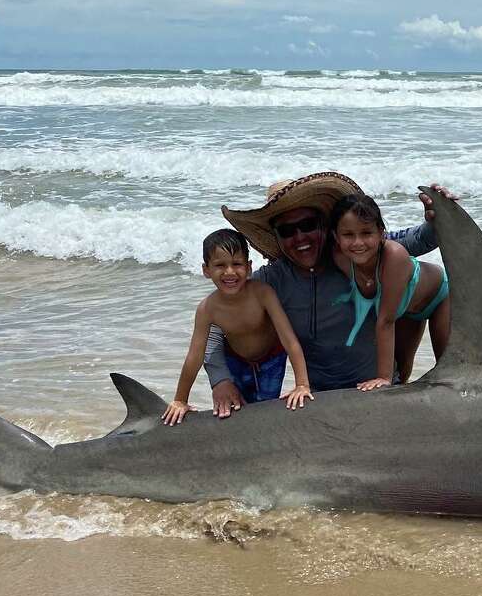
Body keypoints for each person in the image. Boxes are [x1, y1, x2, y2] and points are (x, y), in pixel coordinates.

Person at [205, 172, 454, 416]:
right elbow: (216, 324)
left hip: (377, 392)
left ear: (325, 225)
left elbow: (420, 240)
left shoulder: (356, 252)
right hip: (319, 400)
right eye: (287, 230)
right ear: (276, 237)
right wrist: (221, 380)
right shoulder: (271, 281)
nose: (300, 237)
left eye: (307, 224)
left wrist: (438, 216)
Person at [162, 228, 313, 426]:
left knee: (265, 409)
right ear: (206, 270)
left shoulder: (263, 294)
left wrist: (302, 384)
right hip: (236, 360)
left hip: (271, 359)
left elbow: (288, 340)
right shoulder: (207, 309)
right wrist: (180, 399)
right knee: (236, 410)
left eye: (237, 264)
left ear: (249, 267)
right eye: (220, 265)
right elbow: (194, 356)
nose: (230, 272)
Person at [327, 192, 450, 389]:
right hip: (405, 308)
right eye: (348, 234)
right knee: (401, 374)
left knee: (448, 373)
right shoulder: (339, 258)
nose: (357, 243)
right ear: (335, 236)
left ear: (381, 233)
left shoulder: (394, 255)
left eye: (366, 233)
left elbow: (386, 321)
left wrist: (383, 378)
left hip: (437, 297)